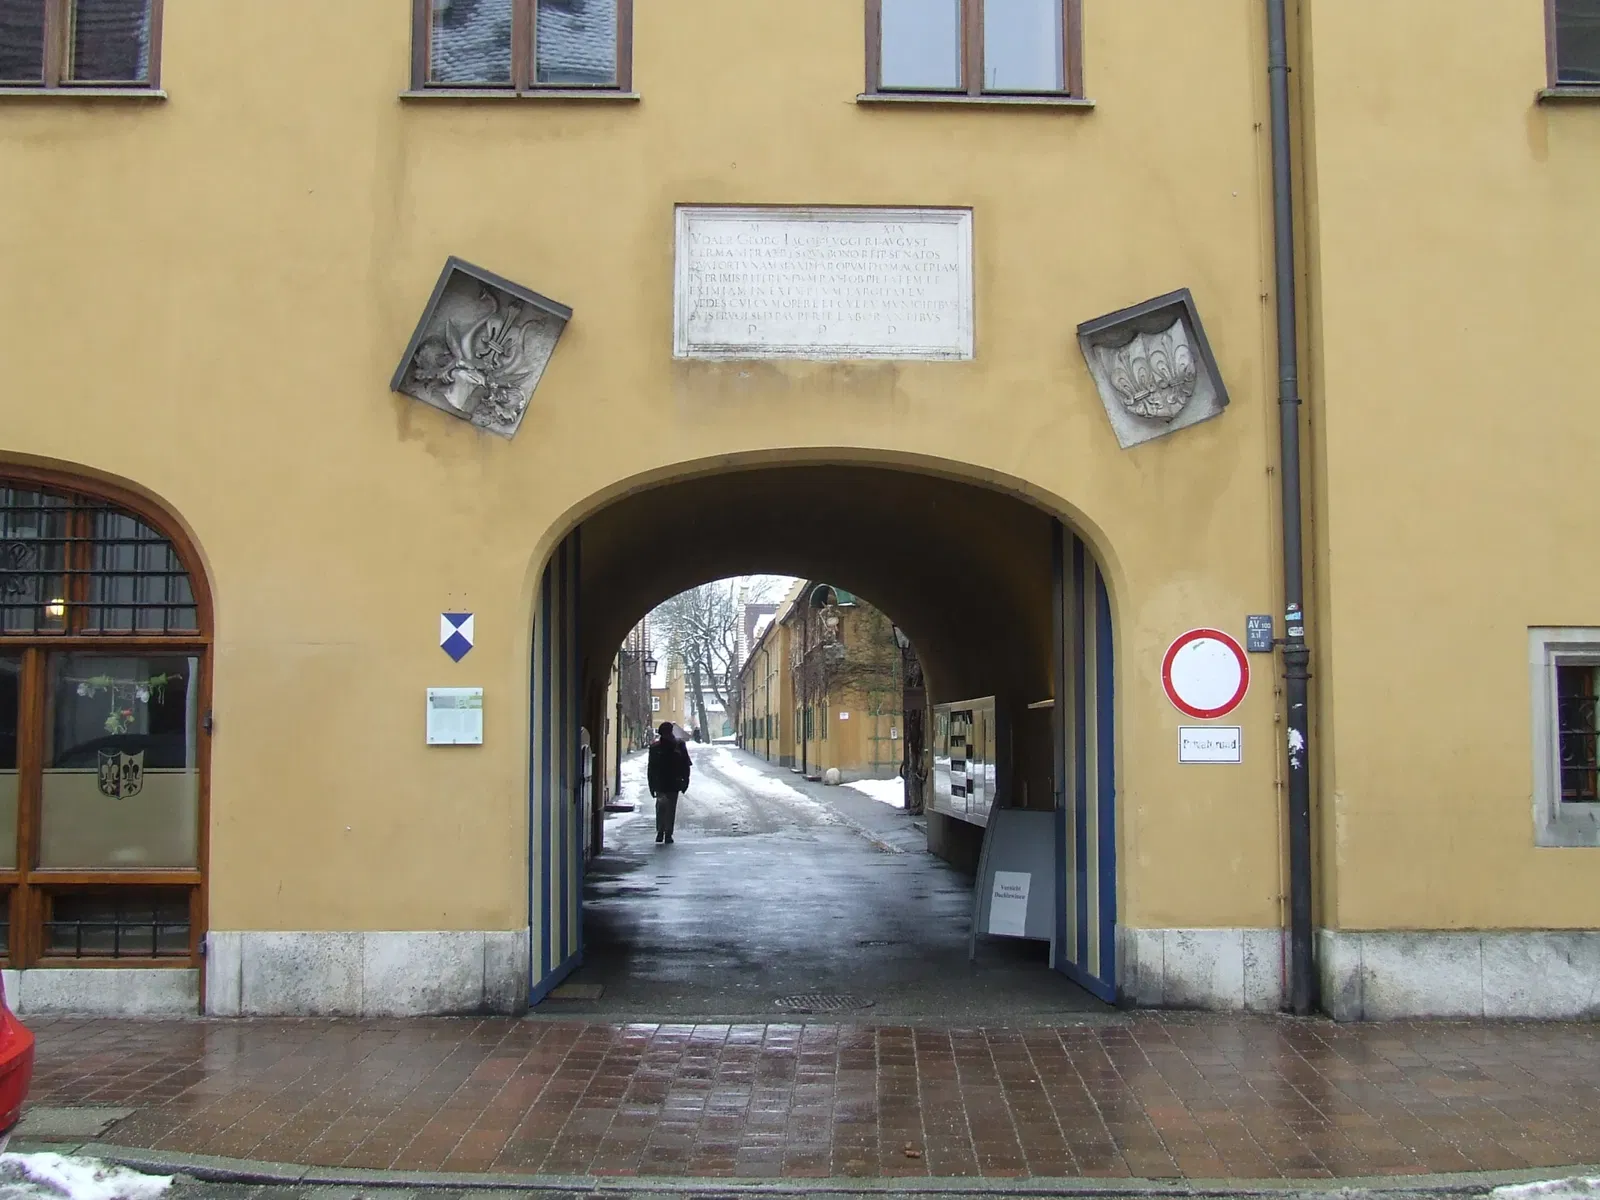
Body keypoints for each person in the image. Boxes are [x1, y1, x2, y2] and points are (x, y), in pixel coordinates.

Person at [647, 720, 691, 844]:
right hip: (665, 782)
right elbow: (651, 768)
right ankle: (663, 832)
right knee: (664, 807)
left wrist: (685, 780)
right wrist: (685, 780)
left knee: (667, 808)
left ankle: (666, 833)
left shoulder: (676, 745)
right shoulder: (658, 747)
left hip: (669, 782)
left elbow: (685, 765)